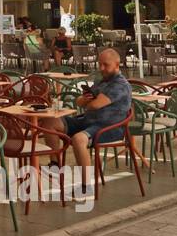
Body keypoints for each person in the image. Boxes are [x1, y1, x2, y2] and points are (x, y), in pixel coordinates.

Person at [43, 48, 133, 186]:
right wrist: (87, 101)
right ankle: (55, 166)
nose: (102, 68)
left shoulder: (120, 85)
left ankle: (85, 185)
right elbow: (79, 101)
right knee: (50, 121)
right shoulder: (102, 81)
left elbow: (94, 105)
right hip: (87, 121)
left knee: (78, 139)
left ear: (117, 64)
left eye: (106, 65)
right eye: (100, 64)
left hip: (109, 128)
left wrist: (88, 101)